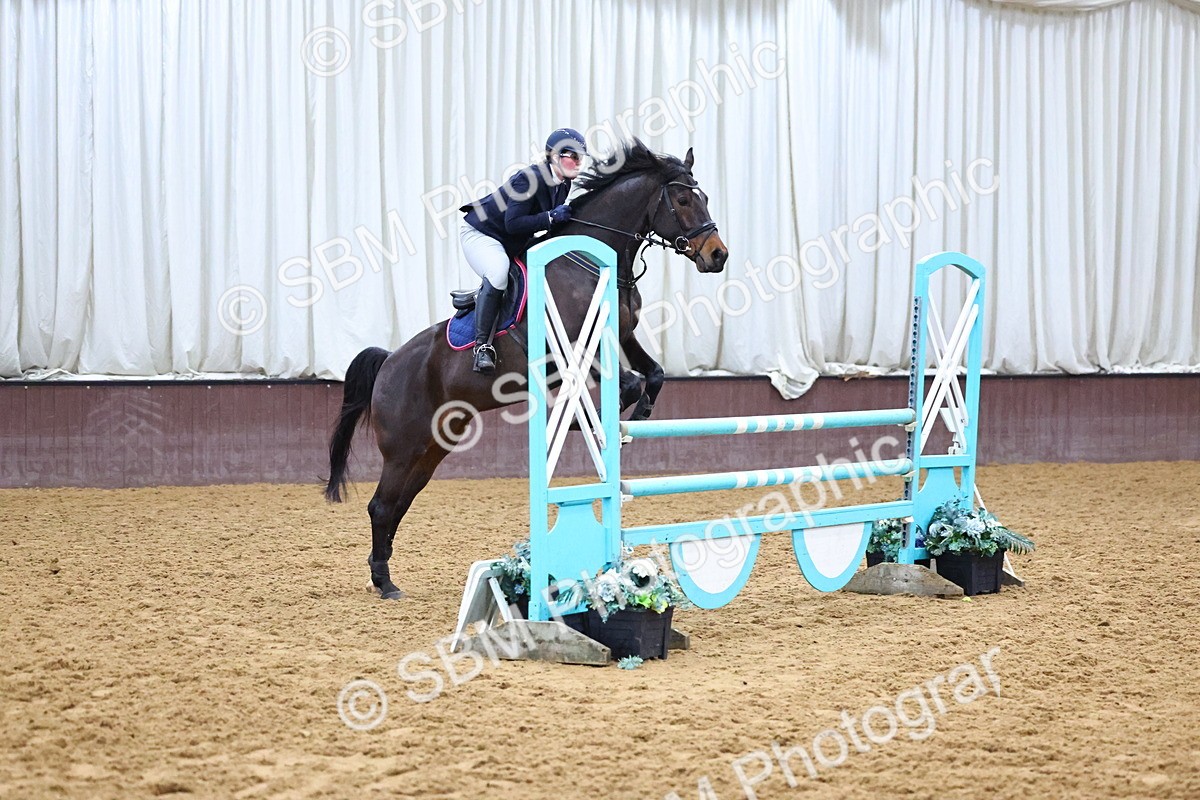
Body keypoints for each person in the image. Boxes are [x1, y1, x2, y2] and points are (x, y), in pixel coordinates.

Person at [458, 127, 588, 373]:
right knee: (498, 271)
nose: (578, 161)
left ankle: (482, 297)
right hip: (482, 234)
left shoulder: (563, 184)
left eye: (581, 156)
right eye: (573, 154)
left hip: (510, 240)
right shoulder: (529, 179)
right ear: (554, 156)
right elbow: (513, 223)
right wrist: (550, 217)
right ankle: (482, 347)